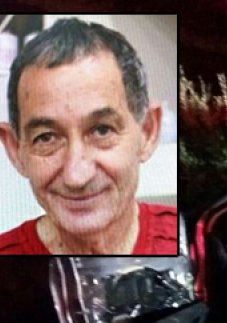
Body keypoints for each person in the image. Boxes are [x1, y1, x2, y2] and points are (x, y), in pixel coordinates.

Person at [0, 18, 176, 254]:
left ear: (147, 131)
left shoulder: (200, 249)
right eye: (46, 138)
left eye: (101, 131)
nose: (76, 176)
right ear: (15, 150)